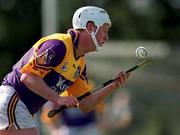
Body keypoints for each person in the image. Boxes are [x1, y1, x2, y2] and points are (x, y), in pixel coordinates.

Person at [0, 6, 129, 135]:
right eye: (104, 31)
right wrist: (59, 99)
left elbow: (85, 105)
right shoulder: (59, 45)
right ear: (90, 27)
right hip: (14, 98)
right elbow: (27, 77)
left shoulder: (80, 64)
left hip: (23, 108)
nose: (106, 37)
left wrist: (113, 86)